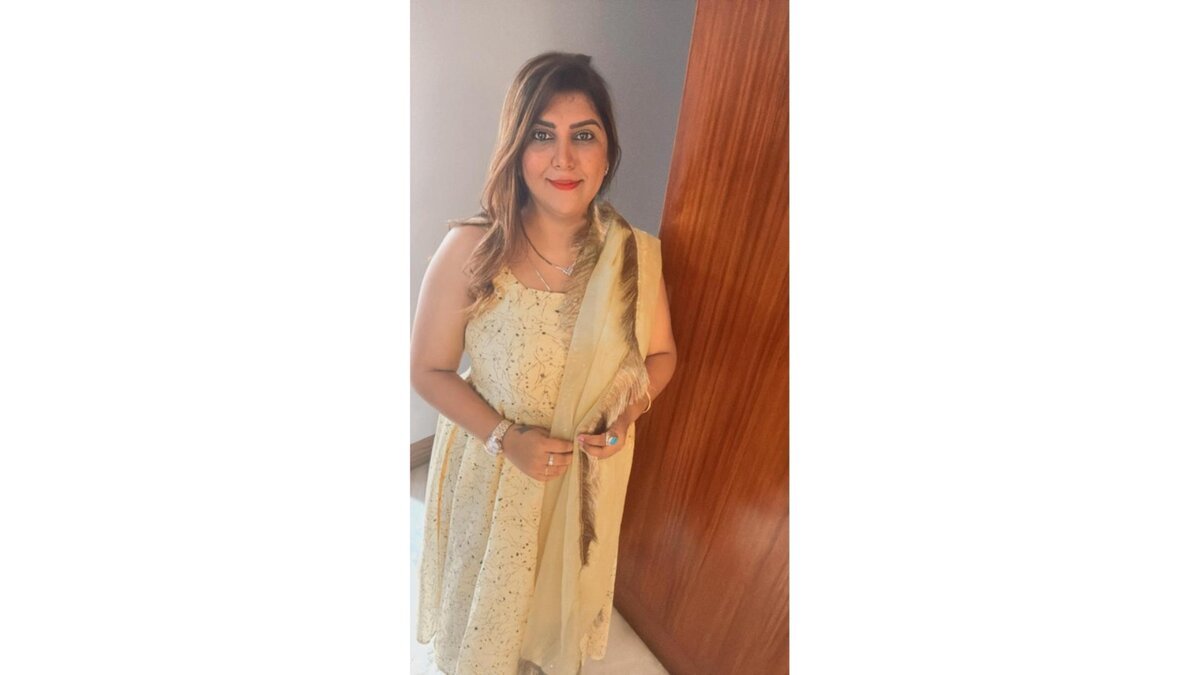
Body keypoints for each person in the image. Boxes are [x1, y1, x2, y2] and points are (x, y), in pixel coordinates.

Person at [412, 52, 677, 675]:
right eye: (541, 134)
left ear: (607, 153)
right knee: (491, 612)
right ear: (516, 148)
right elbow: (427, 369)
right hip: (496, 475)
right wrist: (508, 440)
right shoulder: (474, 248)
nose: (564, 158)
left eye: (583, 136)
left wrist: (624, 420)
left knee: (549, 616)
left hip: (584, 480)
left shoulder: (632, 257)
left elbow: (662, 356)